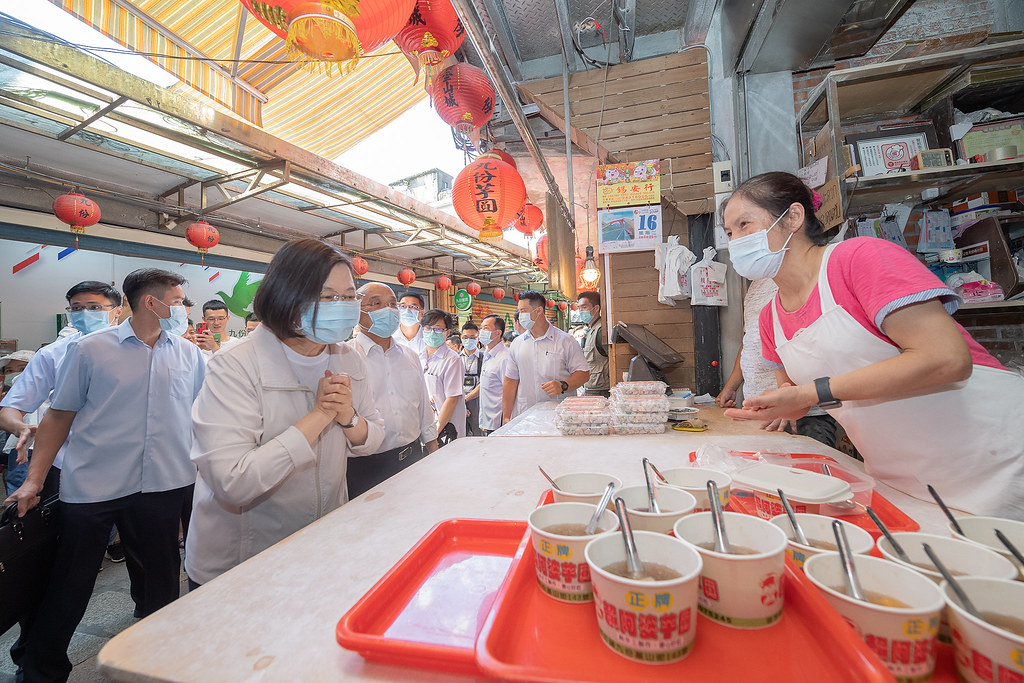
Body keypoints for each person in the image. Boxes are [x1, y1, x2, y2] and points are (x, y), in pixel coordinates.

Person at [722, 171, 1024, 519]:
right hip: (903, 479)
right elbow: (796, 400)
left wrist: (809, 395)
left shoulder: (859, 258)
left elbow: (946, 359)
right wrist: (782, 407)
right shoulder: (770, 318)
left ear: (793, 217)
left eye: (745, 224)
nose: (736, 241)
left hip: (996, 457)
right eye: (730, 233)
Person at [4, 268, 204, 682]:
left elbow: (205, 414)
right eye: (180, 300)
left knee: (162, 578)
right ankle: (42, 668)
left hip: (164, 484)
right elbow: (59, 416)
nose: (185, 308)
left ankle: (156, 655)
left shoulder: (188, 354)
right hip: (94, 485)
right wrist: (34, 480)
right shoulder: (92, 350)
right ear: (152, 302)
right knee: (71, 582)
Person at [185, 239, 384, 587]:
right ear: (286, 295)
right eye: (326, 296)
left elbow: (373, 436)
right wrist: (319, 415)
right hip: (242, 565)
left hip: (323, 546)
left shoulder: (348, 358)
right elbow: (233, 481)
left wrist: (349, 418)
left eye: (350, 296)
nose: (343, 306)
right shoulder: (235, 364)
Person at [716, 278, 839, 447]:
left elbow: (811, 341)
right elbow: (750, 340)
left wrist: (790, 403)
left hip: (804, 415)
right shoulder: (756, 286)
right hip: (761, 410)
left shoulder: (803, 279)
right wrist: (731, 387)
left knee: (810, 469)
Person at [345, 282, 438, 498]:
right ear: (357, 313)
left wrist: (434, 453)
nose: (387, 310)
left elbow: (423, 409)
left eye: (392, 304)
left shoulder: (410, 356)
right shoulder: (344, 358)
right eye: (375, 303)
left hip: (413, 458)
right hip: (365, 469)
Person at [502, 291, 590, 423]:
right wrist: (506, 416)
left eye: (524, 311)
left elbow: (583, 374)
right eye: (519, 311)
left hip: (559, 416)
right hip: (525, 416)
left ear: (538, 311)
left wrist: (563, 385)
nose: (520, 316)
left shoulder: (566, 341)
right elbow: (510, 381)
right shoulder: (517, 344)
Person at [418, 309, 466, 442]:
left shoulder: (452, 360)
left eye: (438, 329)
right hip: (425, 426)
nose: (432, 332)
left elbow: (452, 399)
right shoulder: (419, 356)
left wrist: (435, 431)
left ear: (447, 332)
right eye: (428, 328)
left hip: (446, 429)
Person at [474, 314, 509, 435]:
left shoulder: (504, 358)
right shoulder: (487, 354)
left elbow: (509, 391)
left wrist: (506, 419)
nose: (481, 331)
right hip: (488, 419)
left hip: (499, 421)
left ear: (498, 333)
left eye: (486, 328)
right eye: (481, 327)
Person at [576, 292, 610, 397]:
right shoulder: (591, 330)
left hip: (601, 391)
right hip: (591, 388)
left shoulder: (601, 331)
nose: (581, 311)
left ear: (596, 308)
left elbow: (614, 360)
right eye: (579, 308)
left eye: (584, 307)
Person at [460, 321, 483, 435]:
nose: (468, 340)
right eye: (465, 337)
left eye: (472, 337)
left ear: (478, 339)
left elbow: (484, 384)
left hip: (477, 402)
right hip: (458, 400)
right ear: (461, 338)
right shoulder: (455, 358)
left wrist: (465, 400)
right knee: (460, 436)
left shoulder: (484, 358)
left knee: (478, 435)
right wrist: (461, 403)